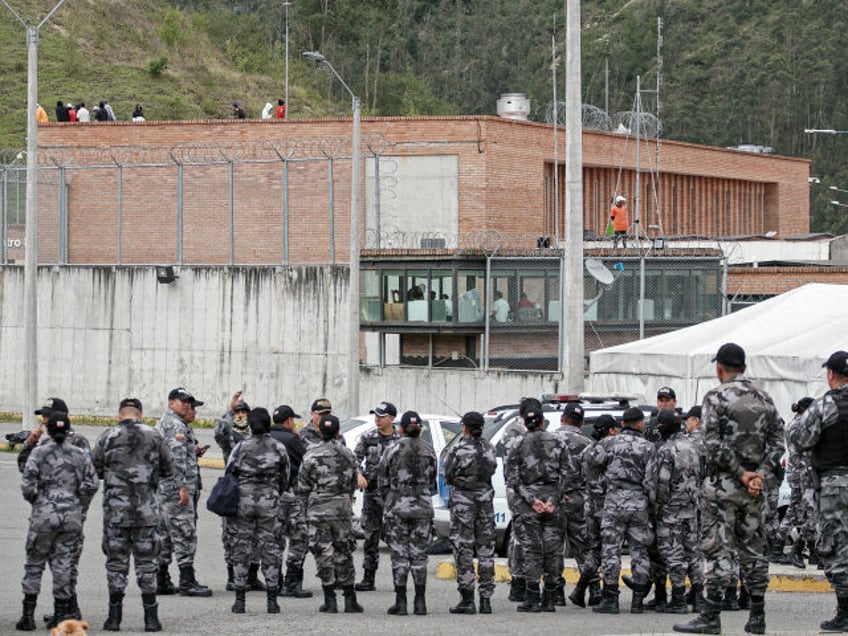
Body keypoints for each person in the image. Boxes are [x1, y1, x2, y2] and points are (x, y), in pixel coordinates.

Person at [674, 342, 784, 635]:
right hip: (755, 491)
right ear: (744, 368)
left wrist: (741, 473)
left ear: (719, 368)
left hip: (724, 487)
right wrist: (758, 475)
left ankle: (711, 616)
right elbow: (778, 442)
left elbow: (712, 443)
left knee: (718, 549)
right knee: (754, 550)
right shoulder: (765, 398)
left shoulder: (715, 397)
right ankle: (757, 616)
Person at [91, 397, 175, 633]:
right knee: (147, 564)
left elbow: (94, 468)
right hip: (146, 511)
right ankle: (151, 619)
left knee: (116, 564)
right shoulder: (155, 435)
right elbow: (169, 469)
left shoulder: (107, 436)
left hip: (115, 512)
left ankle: (114, 618)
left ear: (120, 414)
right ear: (141, 414)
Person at [16, 412, 98, 631]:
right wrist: (75, 502)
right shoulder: (79, 454)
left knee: (34, 563)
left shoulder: (39, 452)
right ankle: (61, 616)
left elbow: (27, 484)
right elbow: (92, 483)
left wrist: (39, 501)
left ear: (49, 430)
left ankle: (27, 616)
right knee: (63, 565)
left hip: (43, 515)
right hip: (70, 516)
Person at [788, 351, 848, 632]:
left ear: (831, 374)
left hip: (836, 484)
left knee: (837, 546)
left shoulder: (828, 404)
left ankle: (845, 611)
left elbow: (800, 437)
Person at [505, 397, 570, 613]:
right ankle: (550, 598)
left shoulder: (517, 444)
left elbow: (512, 479)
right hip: (553, 504)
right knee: (552, 550)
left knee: (531, 550)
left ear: (525, 423)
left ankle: (532, 598)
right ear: (543, 422)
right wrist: (552, 501)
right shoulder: (559, 442)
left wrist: (533, 501)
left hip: (528, 506)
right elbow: (566, 474)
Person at [591, 407, 657, 615]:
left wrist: (601, 488)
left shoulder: (609, 443)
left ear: (621, 424)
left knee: (611, 549)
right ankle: (637, 600)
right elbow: (651, 480)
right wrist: (650, 503)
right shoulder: (648, 447)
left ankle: (610, 599)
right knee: (640, 551)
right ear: (640, 424)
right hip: (638, 502)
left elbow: (591, 464)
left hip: (614, 501)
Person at [297, 414, 363, 614]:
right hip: (341, 509)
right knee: (344, 552)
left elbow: (302, 487)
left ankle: (330, 599)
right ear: (337, 432)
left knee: (322, 552)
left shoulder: (310, 455)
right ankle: (350, 599)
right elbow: (354, 482)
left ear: (319, 432)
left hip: (318, 510)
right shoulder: (348, 454)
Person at [228, 407, 290, 615]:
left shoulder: (241, 447)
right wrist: (274, 491)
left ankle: (240, 600)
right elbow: (286, 475)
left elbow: (231, 472)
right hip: (270, 500)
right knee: (270, 548)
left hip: (244, 500)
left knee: (241, 547)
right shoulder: (278, 447)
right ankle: (272, 600)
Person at [379, 410, 438, 616]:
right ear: (420, 429)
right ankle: (420, 602)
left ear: (401, 428)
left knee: (399, 555)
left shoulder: (392, 449)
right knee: (420, 556)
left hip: (397, 507)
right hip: (422, 507)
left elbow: (382, 481)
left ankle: (401, 601)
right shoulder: (429, 450)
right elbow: (432, 484)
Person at [155, 387, 212, 597]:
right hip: (174, 489)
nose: (187, 405)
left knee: (165, 534)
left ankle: (160, 578)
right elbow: (175, 459)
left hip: (164, 487)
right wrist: (181, 487)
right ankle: (187, 580)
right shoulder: (176, 425)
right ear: (171, 403)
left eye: (188, 401)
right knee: (184, 533)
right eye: (182, 401)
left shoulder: (167, 422)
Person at [444, 410, 497, 615]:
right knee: (485, 549)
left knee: (463, 548)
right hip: (485, 501)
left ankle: (467, 598)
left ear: (464, 427)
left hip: (463, 502)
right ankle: (486, 599)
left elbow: (448, 474)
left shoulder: (458, 449)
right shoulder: (489, 448)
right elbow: (491, 470)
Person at [653, 408, 703, 614]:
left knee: (673, 554)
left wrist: (659, 505)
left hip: (671, 511)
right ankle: (699, 597)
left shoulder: (667, 450)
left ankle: (679, 600)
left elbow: (663, 483)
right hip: (691, 509)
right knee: (693, 553)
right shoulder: (693, 447)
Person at [353, 401, 400, 592]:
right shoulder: (368, 437)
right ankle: (368, 577)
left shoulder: (399, 439)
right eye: (376, 416)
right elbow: (355, 459)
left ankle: (400, 579)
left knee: (396, 536)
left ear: (392, 418)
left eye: (382, 416)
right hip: (372, 493)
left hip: (393, 495)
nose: (378, 420)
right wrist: (358, 474)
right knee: (371, 536)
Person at [552, 402, 595, 608]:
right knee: (584, 547)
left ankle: (556, 592)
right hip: (579, 499)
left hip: (555, 500)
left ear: (562, 418)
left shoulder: (550, 440)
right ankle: (594, 588)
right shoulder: (588, 443)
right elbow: (593, 477)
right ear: (582, 422)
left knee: (555, 548)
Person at [269, 404, 313, 598]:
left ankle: (275, 581)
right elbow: (308, 458)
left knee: (274, 539)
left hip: (271, 496)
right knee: (298, 537)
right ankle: (292, 582)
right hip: (292, 495)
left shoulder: (266, 438)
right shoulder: (292, 439)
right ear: (288, 421)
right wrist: (297, 435)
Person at [581, 414, 622, 609]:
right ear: (612, 430)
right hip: (608, 506)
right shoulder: (612, 448)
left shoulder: (588, 449)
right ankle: (605, 593)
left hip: (590, 506)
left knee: (595, 549)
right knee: (609, 551)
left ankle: (583, 587)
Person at [773, 397, 816, 568]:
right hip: (803, 473)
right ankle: (800, 550)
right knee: (809, 511)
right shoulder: (802, 426)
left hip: (796, 472)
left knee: (796, 511)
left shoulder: (792, 423)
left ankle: (781, 549)